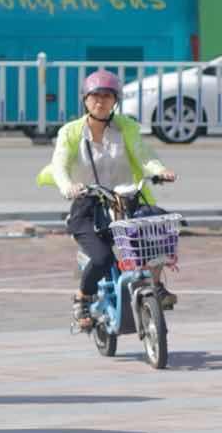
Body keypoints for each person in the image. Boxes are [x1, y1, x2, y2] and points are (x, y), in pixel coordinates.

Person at [38, 69, 176, 329]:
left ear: (116, 101)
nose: (100, 101)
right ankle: (81, 298)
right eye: (94, 96)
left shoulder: (127, 127)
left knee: (159, 228)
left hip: (126, 201)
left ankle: (156, 285)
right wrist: (69, 186)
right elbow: (59, 165)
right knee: (102, 259)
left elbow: (144, 155)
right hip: (88, 206)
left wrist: (159, 171)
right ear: (85, 100)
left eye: (107, 96)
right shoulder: (70, 132)